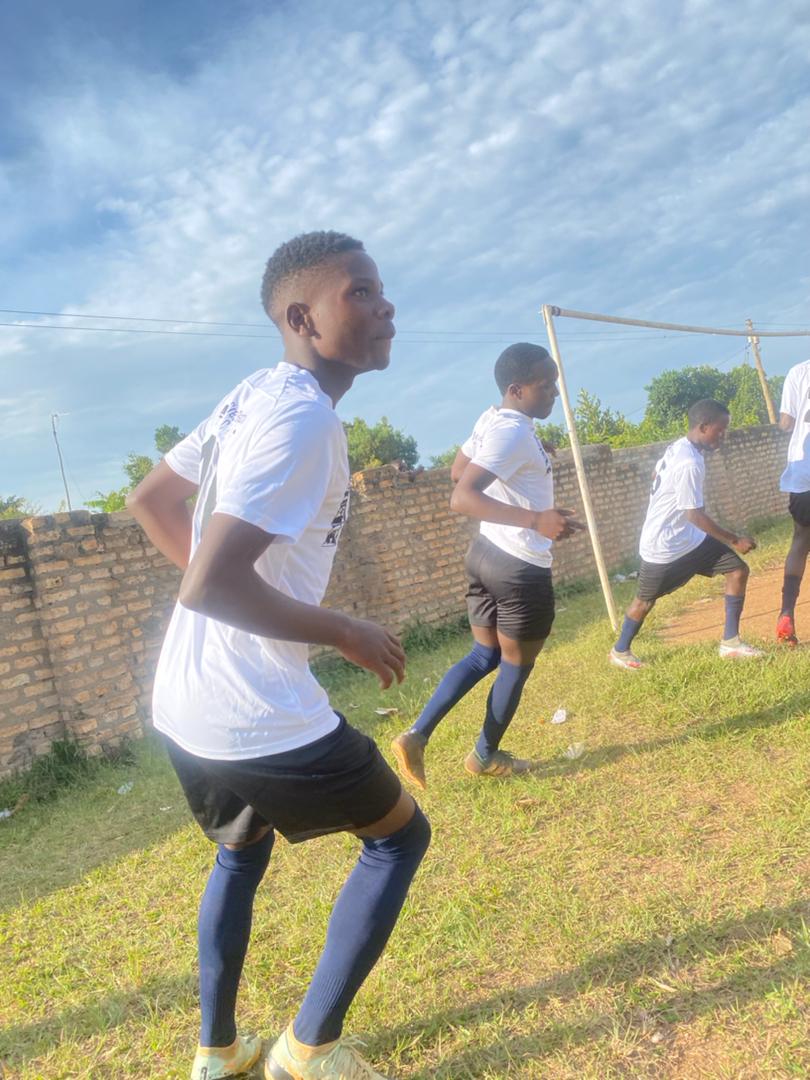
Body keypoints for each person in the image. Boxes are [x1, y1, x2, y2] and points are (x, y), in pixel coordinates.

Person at [128, 231, 430, 1080]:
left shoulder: (256, 393)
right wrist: (344, 629)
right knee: (398, 840)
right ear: (303, 317)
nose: (386, 306)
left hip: (184, 702)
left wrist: (229, 600)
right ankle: (310, 1051)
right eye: (361, 292)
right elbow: (208, 583)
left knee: (239, 851)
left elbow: (151, 500)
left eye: (382, 288)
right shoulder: (302, 418)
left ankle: (218, 1054)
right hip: (252, 708)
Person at [390, 343, 584, 790]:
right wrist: (536, 519)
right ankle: (484, 755)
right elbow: (462, 496)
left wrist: (532, 464)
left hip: (484, 557)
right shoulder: (512, 433)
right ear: (516, 389)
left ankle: (416, 734)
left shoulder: (493, 420)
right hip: (520, 568)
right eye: (545, 384)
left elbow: (459, 470)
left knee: (484, 655)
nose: (554, 391)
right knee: (515, 665)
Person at [609, 399, 762, 670]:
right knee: (644, 602)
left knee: (737, 570)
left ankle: (731, 643)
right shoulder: (689, 462)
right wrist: (735, 539)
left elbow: (658, 474)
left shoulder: (680, 446)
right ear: (703, 427)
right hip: (664, 547)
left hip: (689, 539)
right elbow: (695, 514)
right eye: (720, 430)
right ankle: (620, 651)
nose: (723, 436)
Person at [775, 357, 810, 646]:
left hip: (803, 474)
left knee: (800, 540)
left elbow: (785, 424)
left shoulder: (798, 371)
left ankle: (786, 613)